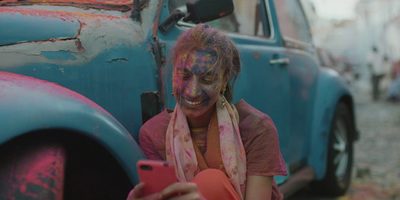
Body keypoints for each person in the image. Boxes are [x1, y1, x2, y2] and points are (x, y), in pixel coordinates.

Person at [127, 24, 287, 200]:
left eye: (207, 79)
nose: (192, 91)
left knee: (210, 183)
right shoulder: (154, 133)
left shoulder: (257, 128)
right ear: (173, 74)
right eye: (184, 76)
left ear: (224, 81)